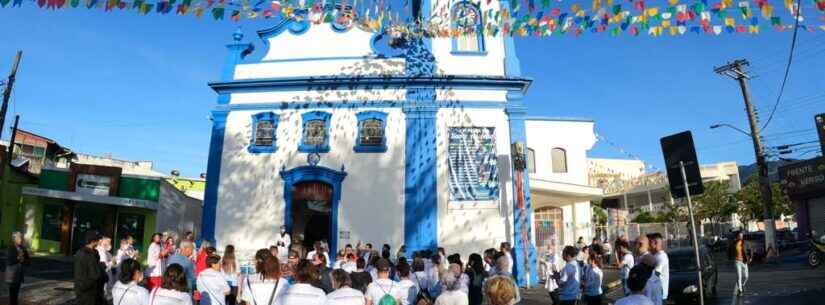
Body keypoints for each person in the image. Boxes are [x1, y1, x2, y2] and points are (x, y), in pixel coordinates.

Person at [75, 231, 106, 305]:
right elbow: (95, 275)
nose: (99, 242)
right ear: (92, 241)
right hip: (90, 290)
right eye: (98, 240)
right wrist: (102, 267)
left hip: (79, 286)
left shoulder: (79, 252)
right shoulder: (90, 255)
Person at [6, 232, 30, 305]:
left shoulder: (23, 248)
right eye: (19, 237)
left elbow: (28, 261)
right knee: (12, 295)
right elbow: (10, 261)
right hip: (12, 275)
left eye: (21, 237)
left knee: (16, 294)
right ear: (14, 239)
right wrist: (19, 258)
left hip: (19, 274)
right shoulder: (11, 248)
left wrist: (25, 259)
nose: (21, 239)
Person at [728, 230, 751, 296]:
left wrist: (750, 257)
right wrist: (730, 257)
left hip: (744, 261)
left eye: (742, 235)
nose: (741, 237)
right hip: (737, 261)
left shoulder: (745, 243)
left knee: (746, 276)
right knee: (739, 276)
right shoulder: (734, 243)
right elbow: (729, 249)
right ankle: (740, 290)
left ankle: (743, 285)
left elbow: (750, 250)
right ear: (737, 236)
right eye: (740, 236)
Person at [647, 233, 669, 302]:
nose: (648, 245)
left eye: (650, 242)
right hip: (654, 293)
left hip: (659, 294)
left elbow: (656, 274)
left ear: (655, 243)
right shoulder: (654, 255)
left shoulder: (661, 256)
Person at [96, 237, 115, 301]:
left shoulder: (107, 252)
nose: (110, 245)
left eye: (110, 243)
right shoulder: (101, 252)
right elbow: (105, 267)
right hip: (103, 275)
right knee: (103, 292)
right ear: (104, 243)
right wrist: (112, 262)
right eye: (109, 243)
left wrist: (113, 262)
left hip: (107, 275)